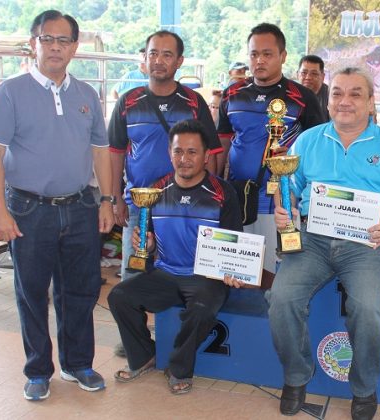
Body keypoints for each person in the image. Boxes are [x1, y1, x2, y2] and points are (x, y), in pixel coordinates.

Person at [263, 67, 380, 420]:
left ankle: (364, 388)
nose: (344, 101)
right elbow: (288, 189)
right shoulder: (307, 141)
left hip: (366, 245)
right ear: (328, 99)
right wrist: (286, 210)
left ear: (371, 103)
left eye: (355, 93)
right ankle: (296, 377)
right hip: (313, 240)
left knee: (368, 311)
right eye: (337, 93)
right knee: (281, 300)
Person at [0, 10, 114, 401]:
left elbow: (101, 151)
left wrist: (107, 200)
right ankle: (38, 370)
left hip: (80, 206)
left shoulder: (86, 95)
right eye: (47, 39)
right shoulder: (10, 92)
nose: (55, 47)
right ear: (33, 44)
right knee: (32, 292)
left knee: (81, 290)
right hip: (28, 209)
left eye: (64, 40)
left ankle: (78, 364)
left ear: (74, 47)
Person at [108, 119, 242, 394]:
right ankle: (144, 356)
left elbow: (234, 242)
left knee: (202, 309)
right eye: (178, 151)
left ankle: (179, 367)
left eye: (192, 152)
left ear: (206, 156)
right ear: (169, 153)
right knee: (119, 296)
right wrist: (147, 245)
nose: (184, 159)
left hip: (205, 277)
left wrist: (232, 269)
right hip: (165, 273)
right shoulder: (155, 191)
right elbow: (150, 242)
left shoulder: (222, 192)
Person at [109, 30, 221, 285]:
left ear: (179, 61)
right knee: (132, 279)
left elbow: (212, 153)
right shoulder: (128, 102)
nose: (158, 60)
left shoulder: (193, 102)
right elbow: (115, 152)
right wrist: (115, 199)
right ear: (145, 58)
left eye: (167, 55)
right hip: (138, 206)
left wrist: (210, 199)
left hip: (185, 207)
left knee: (183, 276)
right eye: (153, 54)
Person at [217, 22, 325, 280]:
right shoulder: (232, 94)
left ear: (283, 56)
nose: (259, 60)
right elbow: (222, 144)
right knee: (238, 275)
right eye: (254, 54)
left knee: (277, 275)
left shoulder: (302, 97)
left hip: (282, 203)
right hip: (238, 198)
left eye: (267, 54)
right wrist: (217, 187)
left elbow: (318, 151)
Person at [297, 55, 329, 121]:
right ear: (297, 74)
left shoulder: (331, 96)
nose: (308, 77)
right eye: (304, 73)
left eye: (314, 74)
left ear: (322, 77)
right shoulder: (288, 93)